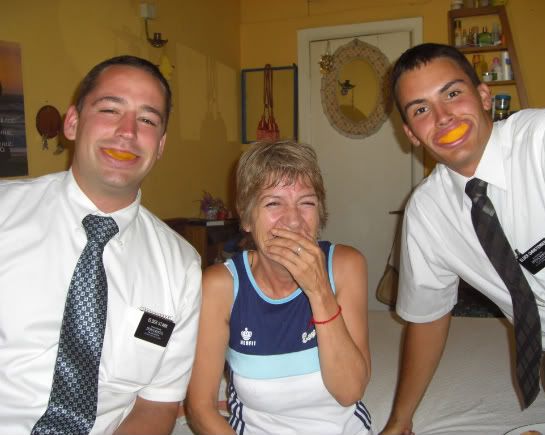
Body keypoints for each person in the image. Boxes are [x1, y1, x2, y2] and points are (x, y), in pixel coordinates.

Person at [380, 42, 545, 435]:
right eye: (420, 110)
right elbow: (428, 318)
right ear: (410, 134)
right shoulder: (427, 212)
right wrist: (400, 420)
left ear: (484, 96)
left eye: (452, 93)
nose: (443, 117)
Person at [0, 55, 201, 434]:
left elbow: (156, 406)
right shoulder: (5, 214)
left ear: (160, 145)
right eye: (110, 110)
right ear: (72, 123)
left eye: (147, 120)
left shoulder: (181, 266)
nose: (128, 131)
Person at [185, 140, 372, 434]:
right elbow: (200, 408)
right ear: (247, 217)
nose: (294, 221)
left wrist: (319, 291)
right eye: (273, 203)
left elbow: (349, 392)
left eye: (306, 202)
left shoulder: (345, 266)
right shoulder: (220, 286)